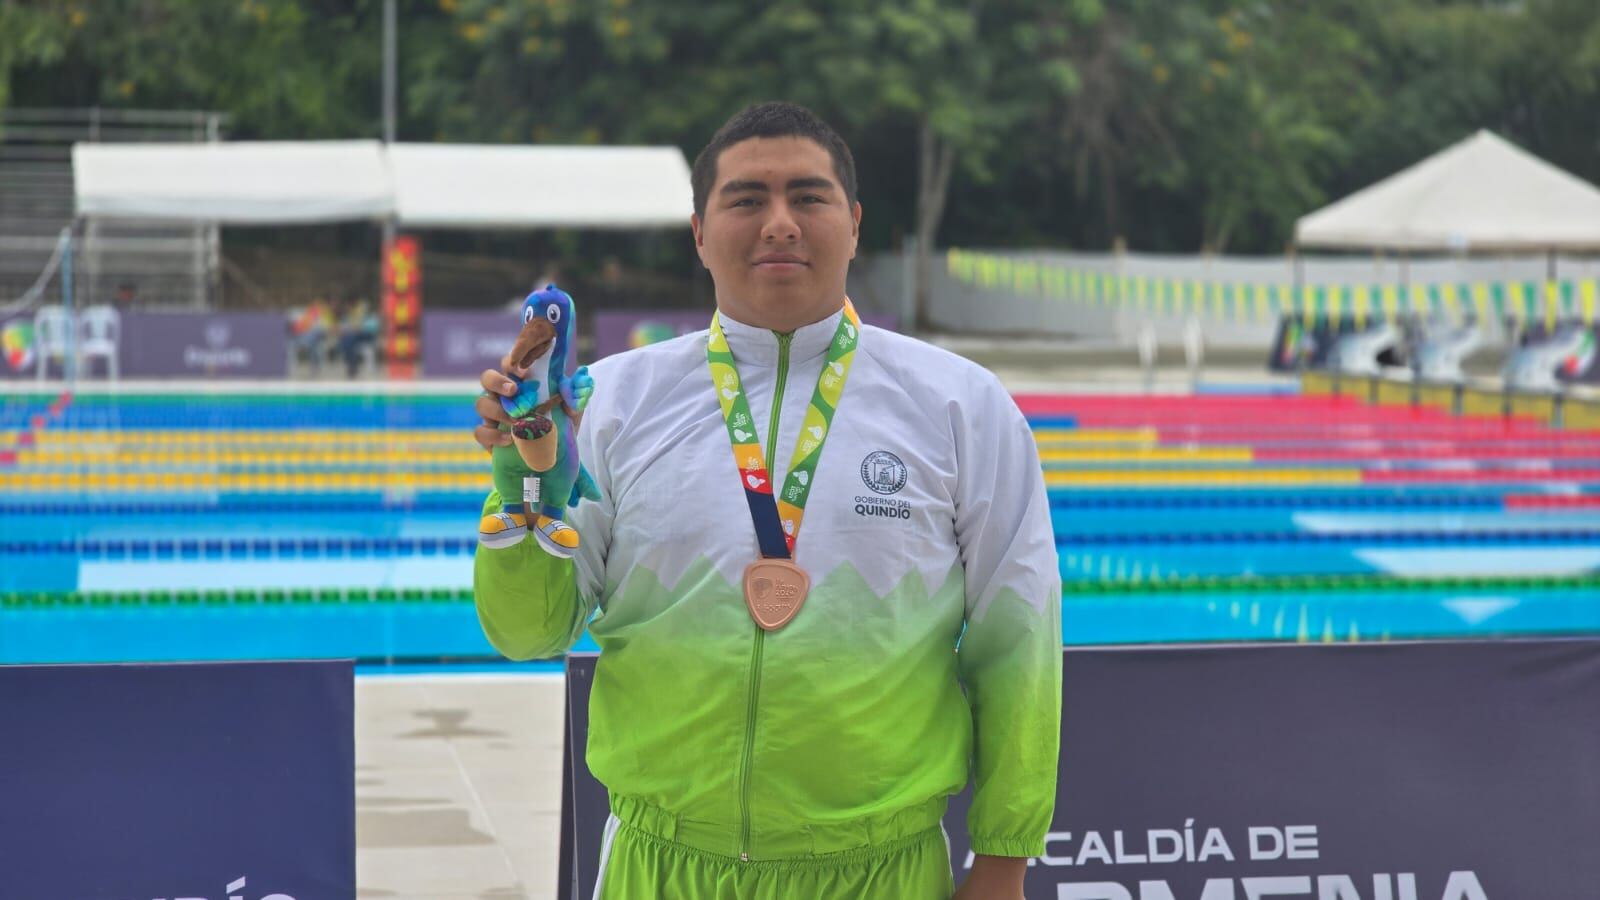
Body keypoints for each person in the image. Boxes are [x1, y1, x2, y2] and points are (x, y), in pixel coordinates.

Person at [473, 101, 1061, 900]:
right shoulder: (609, 404)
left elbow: (1017, 636)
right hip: (661, 867)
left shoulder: (961, 406)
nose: (780, 223)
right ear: (699, 233)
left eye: (808, 197)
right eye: (747, 199)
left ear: (854, 225)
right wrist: (526, 484)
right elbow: (527, 633)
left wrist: (1002, 860)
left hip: (880, 873)